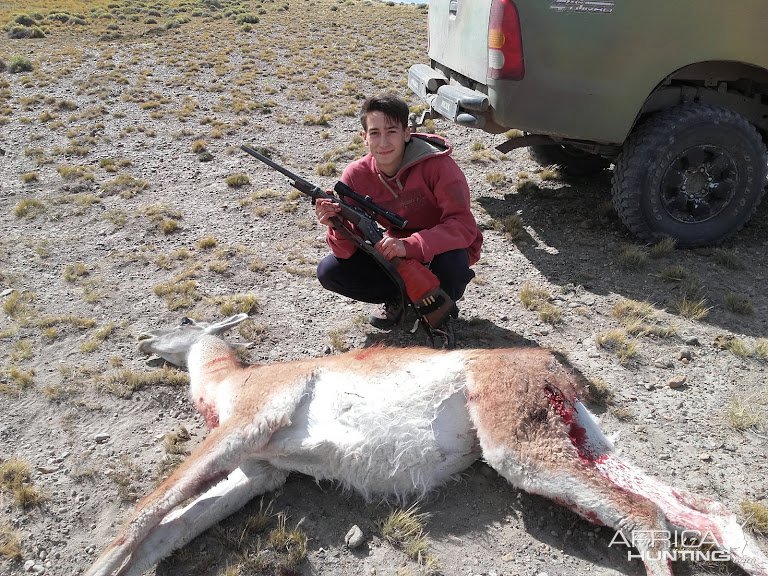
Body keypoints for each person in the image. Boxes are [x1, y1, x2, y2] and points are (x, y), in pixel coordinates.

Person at [315, 94, 483, 330]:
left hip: (441, 249)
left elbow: (463, 226)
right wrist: (335, 225)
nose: (383, 142)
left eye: (392, 131)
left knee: (453, 265)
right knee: (330, 271)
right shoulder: (354, 176)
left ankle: (432, 301)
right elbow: (346, 251)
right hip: (395, 249)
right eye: (374, 133)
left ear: (407, 133)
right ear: (364, 138)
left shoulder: (438, 165)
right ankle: (400, 298)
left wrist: (410, 245)